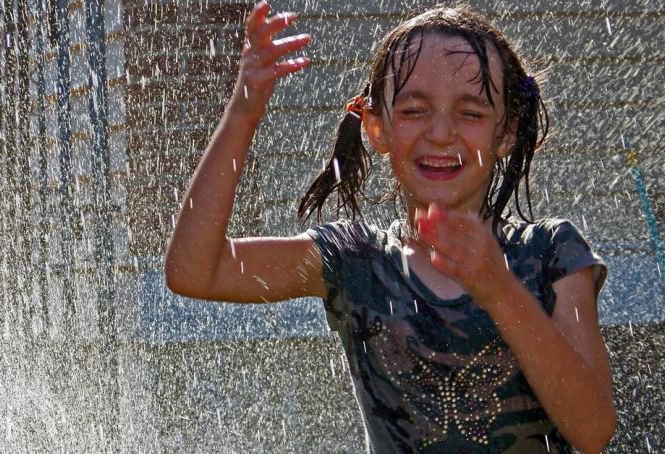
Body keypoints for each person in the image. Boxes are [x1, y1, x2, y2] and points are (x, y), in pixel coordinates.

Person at [165, 1, 617, 452]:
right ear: (376, 128)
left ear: (506, 133)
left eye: (472, 113)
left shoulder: (549, 254)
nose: (441, 133)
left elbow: (593, 430)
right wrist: (243, 115)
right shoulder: (355, 260)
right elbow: (194, 270)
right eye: (415, 110)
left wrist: (499, 289)